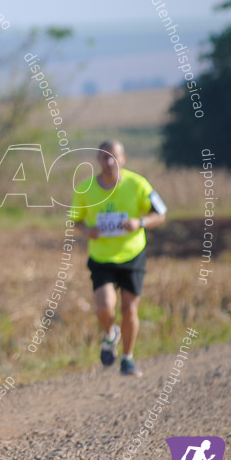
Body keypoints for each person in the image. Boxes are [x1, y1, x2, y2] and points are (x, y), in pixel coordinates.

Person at [70, 141, 167, 377]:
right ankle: (110, 334)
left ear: (123, 159)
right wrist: (87, 231)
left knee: (129, 308)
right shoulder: (85, 188)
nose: (109, 162)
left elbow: (161, 213)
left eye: (114, 157)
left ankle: (127, 358)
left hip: (132, 254)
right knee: (105, 308)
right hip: (102, 257)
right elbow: (75, 219)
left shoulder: (138, 184)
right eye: (104, 157)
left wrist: (140, 223)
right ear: (97, 160)